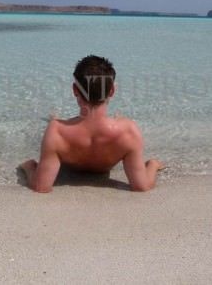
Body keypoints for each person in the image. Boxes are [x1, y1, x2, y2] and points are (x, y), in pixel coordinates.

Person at [19, 55, 164, 192]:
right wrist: (153, 165)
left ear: (75, 90)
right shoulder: (129, 131)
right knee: (119, 121)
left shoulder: (56, 131)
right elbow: (142, 186)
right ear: (112, 91)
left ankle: (60, 119)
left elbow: (41, 186)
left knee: (56, 121)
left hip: (69, 142)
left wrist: (29, 166)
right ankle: (112, 119)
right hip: (111, 141)